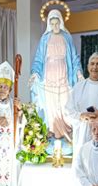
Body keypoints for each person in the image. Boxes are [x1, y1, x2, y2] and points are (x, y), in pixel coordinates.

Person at [30, 9, 83, 154]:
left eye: (56, 22)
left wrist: (78, 73)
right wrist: (35, 73)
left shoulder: (67, 37)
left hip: (64, 75)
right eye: (52, 23)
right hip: (49, 75)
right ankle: (54, 135)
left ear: (61, 22)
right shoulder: (45, 38)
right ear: (49, 24)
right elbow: (39, 59)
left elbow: (74, 57)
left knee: (65, 105)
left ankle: (67, 135)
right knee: (51, 107)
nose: (54, 26)